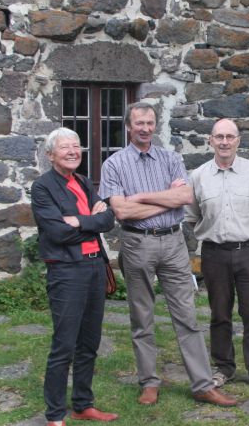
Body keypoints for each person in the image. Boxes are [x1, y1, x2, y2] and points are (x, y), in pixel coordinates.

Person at [99, 102, 237, 407]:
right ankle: (149, 382)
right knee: (142, 316)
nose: (145, 128)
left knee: (187, 316)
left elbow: (185, 197)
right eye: (139, 124)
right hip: (136, 244)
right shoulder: (114, 164)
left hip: (173, 243)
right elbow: (121, 210)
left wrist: (142, 197)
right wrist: (166, 200)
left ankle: (202, 384)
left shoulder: (171, 159)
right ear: (128, 127)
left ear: (155, 125)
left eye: (150, 123)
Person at [31, 128, 119, 426]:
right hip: (67, 272)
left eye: (76, 146)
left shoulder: (83, 182)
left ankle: (83, 404)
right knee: (64, 345)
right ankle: (55, 415)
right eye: (65, 147)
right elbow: (56, 232)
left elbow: (108, 219)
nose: (73, 151)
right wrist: (89, 219)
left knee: (89, 342)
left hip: (95, 268)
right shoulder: (43, 187)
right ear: (50, 155)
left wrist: (78, 220)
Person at [185, 119, 249, 394]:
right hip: (215, 254)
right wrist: (217, 235)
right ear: (210, 141)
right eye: (219, 137)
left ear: (239, 140)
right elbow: (193, 218)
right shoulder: (199, 176)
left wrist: (245, 234)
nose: (224, 142)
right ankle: (224, 367)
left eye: (230, 137)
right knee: (219, 314)